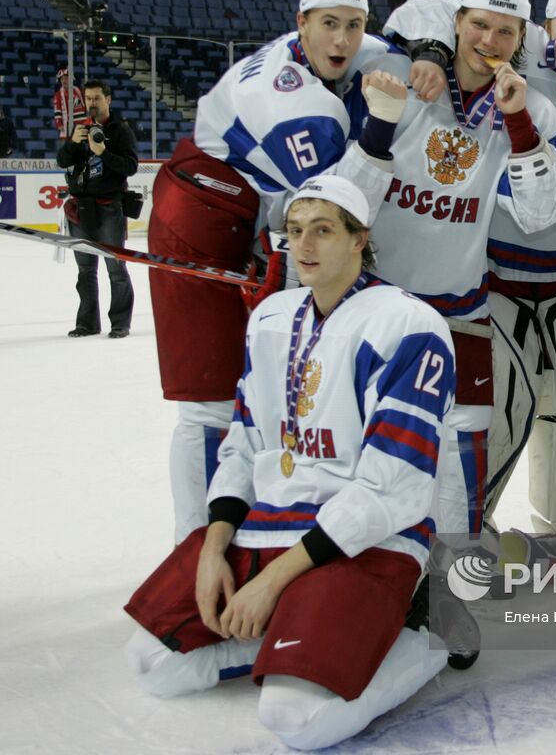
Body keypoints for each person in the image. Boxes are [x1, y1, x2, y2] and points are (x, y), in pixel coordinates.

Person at [125, 176, 463, 751]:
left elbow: (393, 488)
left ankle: (432, 630)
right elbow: (245, 441)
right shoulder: (271, 318)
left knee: (295, 720)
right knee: (153, 664)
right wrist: (213, 547)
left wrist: (272, 584)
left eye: (324, 231)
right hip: (270, 530)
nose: (304, 246)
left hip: (366, 542)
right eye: (296, 231)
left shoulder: (408, 325)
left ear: (361, 240)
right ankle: (295, 630)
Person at [148, 0, 412, 542]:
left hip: (250, 216)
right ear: (301, 24)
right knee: (211, 400)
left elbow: (410, 37)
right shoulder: (293, 105)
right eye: (328, 26)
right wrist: (381, 130)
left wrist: (432, 57)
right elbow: (340, 212)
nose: (342, 42)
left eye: (353, 26)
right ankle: (194, 547)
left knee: (260, 387)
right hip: (198, 220)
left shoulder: (349, 50)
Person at [377, 0, 556, 541]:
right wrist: (429, 53)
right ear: (457, 23)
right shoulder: (404, 77)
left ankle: (451, 575)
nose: (490, 41)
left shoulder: (533, 112)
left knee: (462, 448)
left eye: (506, 32)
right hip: (379, 305)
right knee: (373, 440)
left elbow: (541, 213)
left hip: (461, 309)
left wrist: (515, 122)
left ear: (522, 40)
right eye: (480, 25)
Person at [56, 82, 138, 338]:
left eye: (97, 98)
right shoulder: (79, 129)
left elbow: (131, 167)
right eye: (89, 98)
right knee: (85, 270)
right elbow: (62, 161)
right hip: (80, 208)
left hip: (109, 207)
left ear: (108, 100)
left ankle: (120, 323)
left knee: (115, 268)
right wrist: (72, 143)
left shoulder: (121, 131)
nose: (92, 103)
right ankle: (87, 323)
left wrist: (103, 153)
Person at [53, 67, 86, 139]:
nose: (64, 81)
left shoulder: (78, 91)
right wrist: (59, 123)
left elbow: (84, 105)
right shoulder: (58, 95)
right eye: (62, 79)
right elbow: (57, 111)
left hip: (81, 122)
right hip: (68, 124)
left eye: (66, 78)